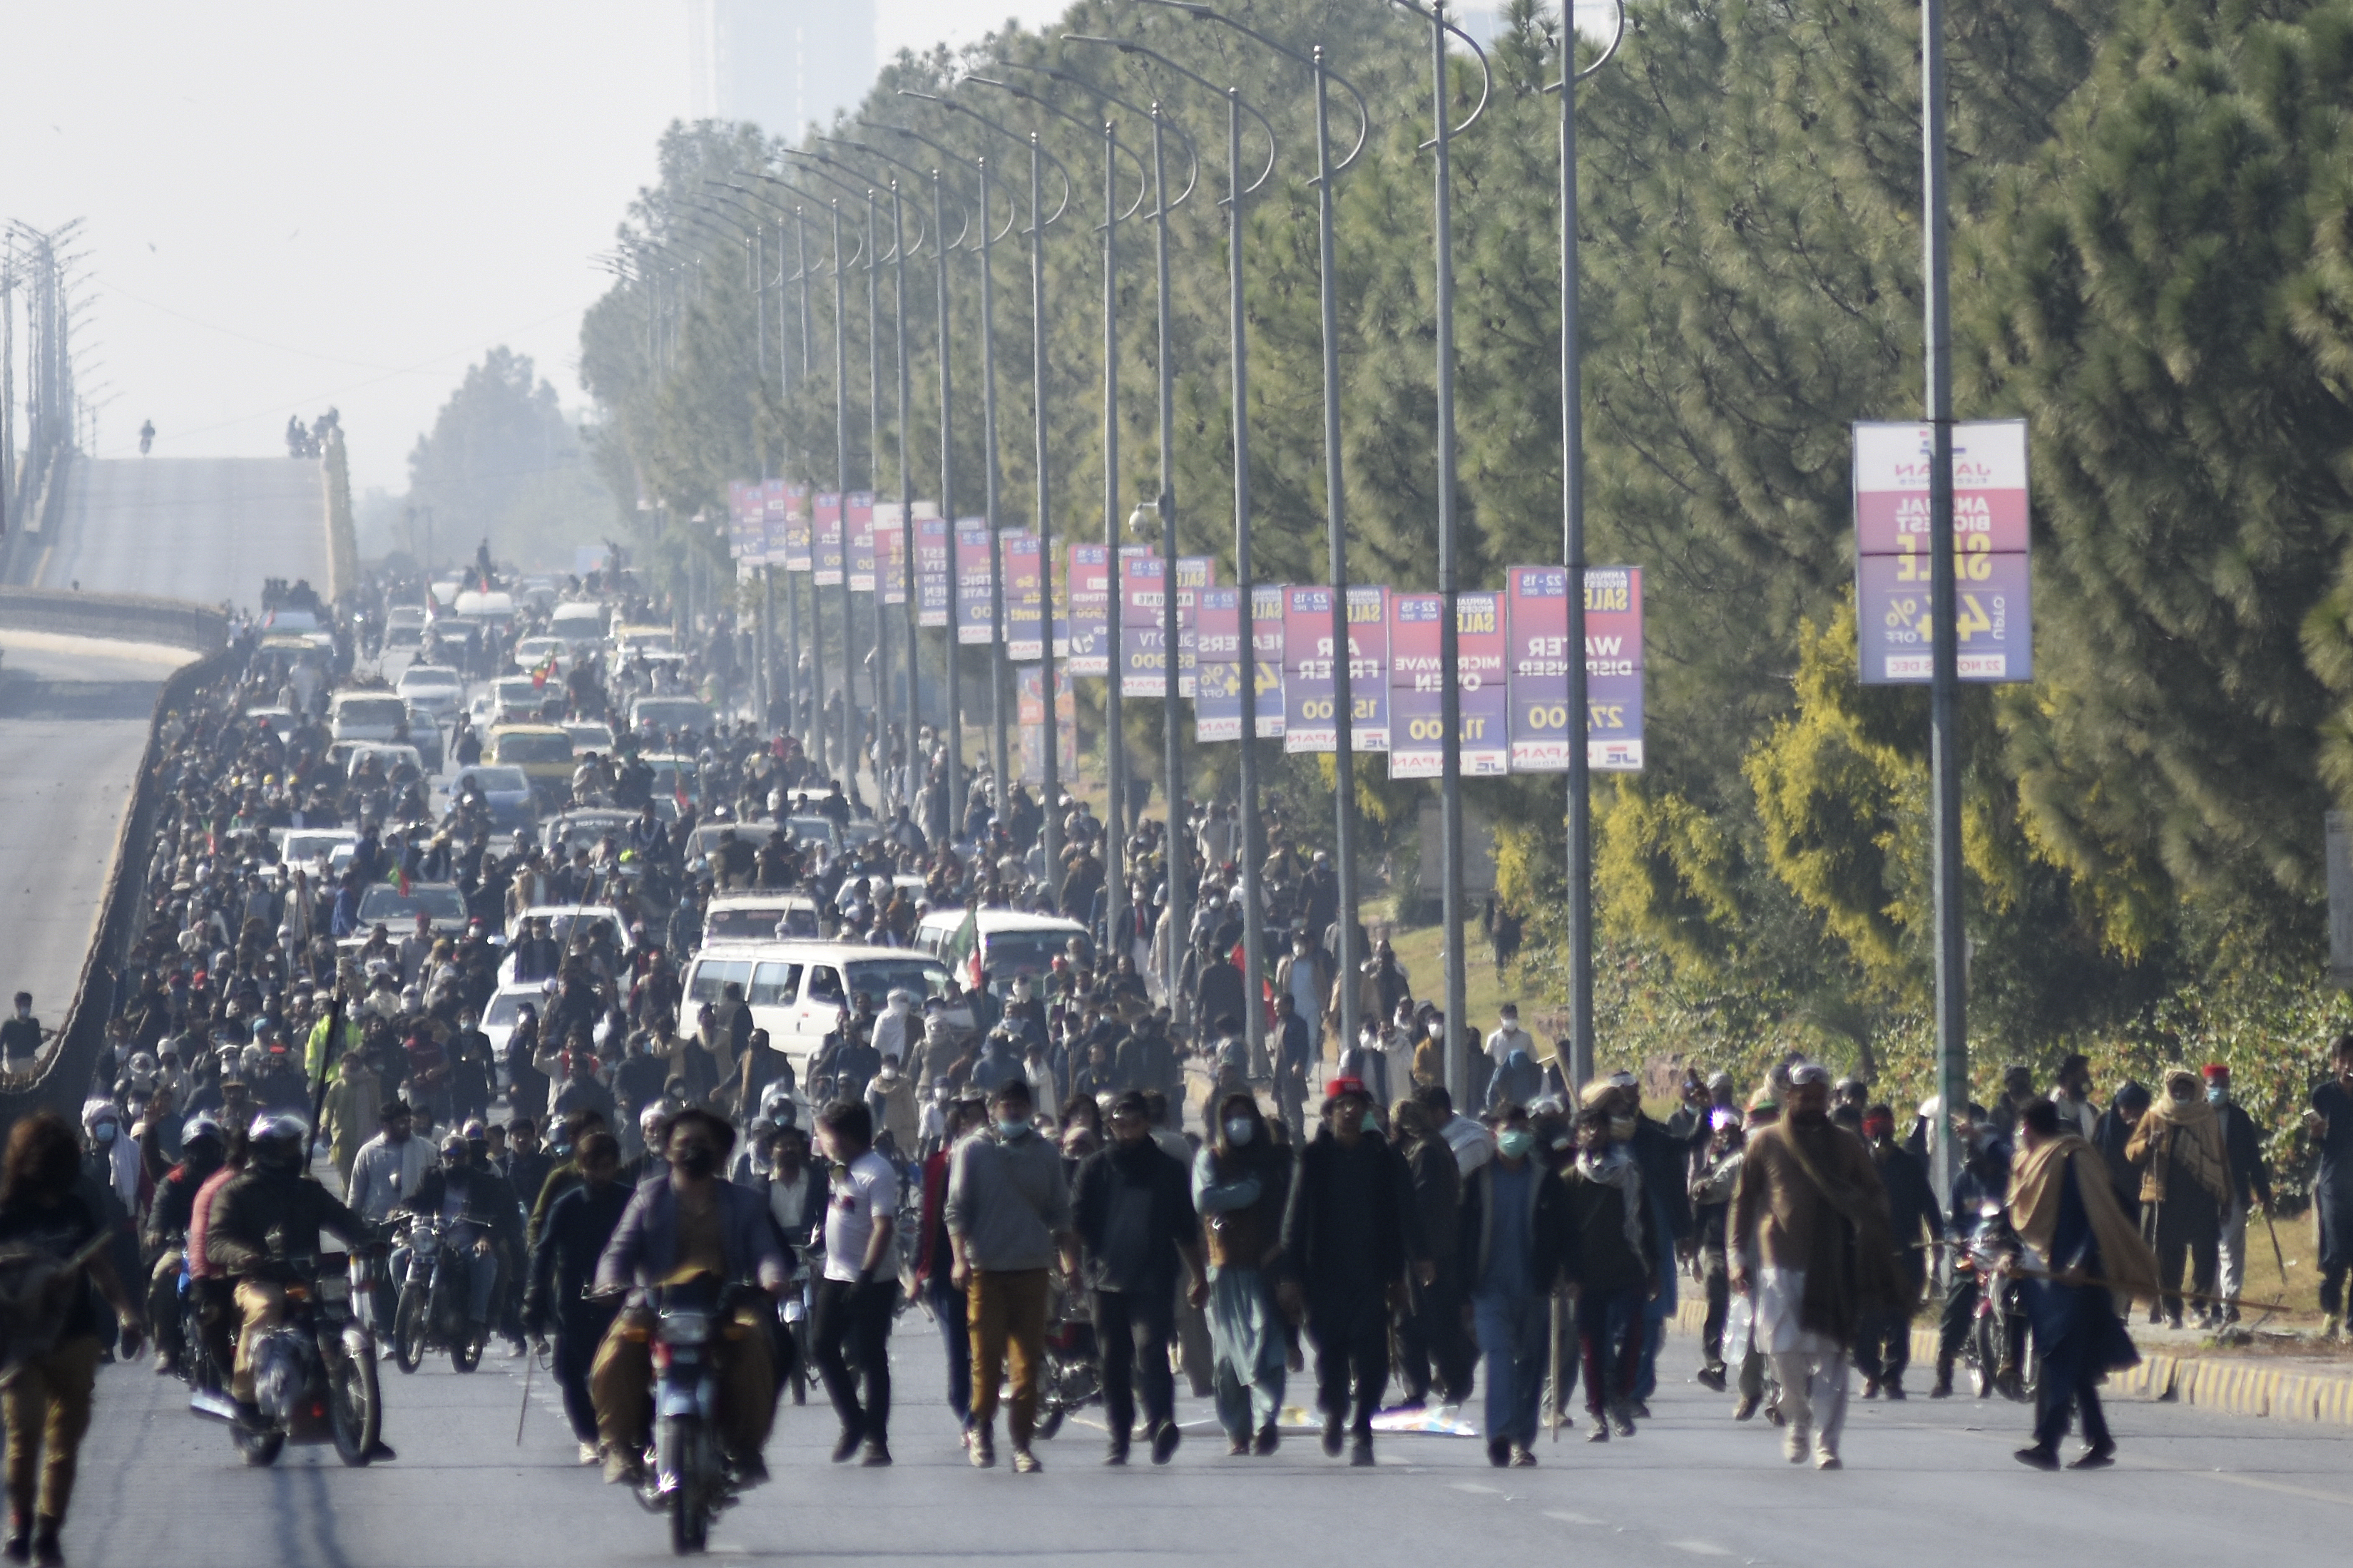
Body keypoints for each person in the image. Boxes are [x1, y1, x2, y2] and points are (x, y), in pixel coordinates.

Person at [589, 1108, 789, 1487]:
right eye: (684, 1144)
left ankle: (746, 1448)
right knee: (614, 1353)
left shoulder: (745, 1202)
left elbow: (766, 1252)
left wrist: (773, 1278)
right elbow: (618, 1251)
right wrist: (609, 1283)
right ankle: (617, 1446)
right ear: (667, 1151)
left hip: (724, 1308)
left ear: (718, 1153)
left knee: (755, 1346)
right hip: (655, 1307)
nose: (693, 1151)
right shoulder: (649, 1198)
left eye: (702, 1144)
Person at [1728, 1062, 1901, 1470]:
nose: (1812, 1104)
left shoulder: (1846, 1144)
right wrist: (1737, 1257)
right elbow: (1743, 1200)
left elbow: (1875, 1192)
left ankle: (1827, 1443)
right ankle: (1798, 1418)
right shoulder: (1766, 1143)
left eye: (1819, 1098)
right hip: (1778, 1265)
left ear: (1828, 1100)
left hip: (1834, 1265)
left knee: (1834, 1357)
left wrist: (1870, 1229)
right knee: (1782, 1351)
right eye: (1804, 1097)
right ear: (1790, 1097)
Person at [0, 1112, 143, 1567]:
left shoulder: (75, 1209)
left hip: (77, 1336)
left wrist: (125, 1314)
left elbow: (100, 1266)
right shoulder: (6, 1213)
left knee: (65, 1442)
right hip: (22, 1341)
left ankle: (49, 1528)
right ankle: (21, 1518)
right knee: (23, 1433)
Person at [2007, 1097, 2160, 1470]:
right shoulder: (2027, 1162)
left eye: (2022, 1126)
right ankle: (2100, 1440)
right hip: (2047, 1276)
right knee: (2074, 1365)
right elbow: (2014, 1217)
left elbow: (2100, 1212)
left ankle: (2048, 1443)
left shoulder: (2071, 1157)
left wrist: (2081, 1259)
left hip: (2079, 1277)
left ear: (2029, 1125)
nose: (2019, 1134)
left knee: (2061, 1358)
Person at [204, 1113, 374, 1432]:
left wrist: (368, 1238)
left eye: (295, 1146)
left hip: (308, 1277)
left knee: (343, 1311)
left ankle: (348, 1402)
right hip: (257, 1279)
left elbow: (341, 1217)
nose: (293, 1153)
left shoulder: (307, 1189)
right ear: (266, 1151)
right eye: (286, 1148)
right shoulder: (237, 1192)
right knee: (268, 1306)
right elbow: (216, 1240)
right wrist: (245, 1255)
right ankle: (244, 1398)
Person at [1279, 1076, 1417, 1466]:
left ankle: (1363, 1427)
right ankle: (1337, 1412)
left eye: (1358, 1104)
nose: (1351, 1111)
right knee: (1332, 1351)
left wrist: (1411, 1264)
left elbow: (1404, 1213)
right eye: (1343, 1105)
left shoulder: (1385, 1157)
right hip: (1324, 1275)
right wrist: (1290, 1275)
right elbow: (1295, 1218)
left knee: (1373, 1355)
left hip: (1373, 1273)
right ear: (1329, 1113)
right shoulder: (1314, 1157)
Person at [944, 1078, 1072, 1472]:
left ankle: (1021, 1445)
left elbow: (1060, 1213)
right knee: (984, 1361)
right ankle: (981, 1430)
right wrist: (959, 1259)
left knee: (1027, 1366)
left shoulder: (1046, 1153)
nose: (1013, 1112)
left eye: (1020, 1105)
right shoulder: (973, 1150)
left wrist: (1070, 1265)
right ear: (993, 1107)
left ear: (1029, 1109)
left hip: (1032, 1269)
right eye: (1006, 1105)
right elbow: (956, 1210)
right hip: (986, 1270)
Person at [1070, 1090, 1201, 1465]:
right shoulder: (1094, 1169)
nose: (1125, 1130)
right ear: (1109, 1125)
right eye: (1118, 1123)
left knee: (1150, 1351)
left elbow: (1185, 1230)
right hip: (1103, 1279)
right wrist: (1069, 1265)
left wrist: (1198, 1275)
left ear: (1147, 1124)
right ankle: (1120, 1437)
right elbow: (1076, 1224)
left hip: (1153, 1279)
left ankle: (1161, 1422)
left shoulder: (1168, 1170)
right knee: (1113, 1361)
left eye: (1133, 1123)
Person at [1461, 1102, 1566, 1465]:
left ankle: (1523, 1438)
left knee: (1532, 1365)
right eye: (1510, 1128)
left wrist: (1568, 1274)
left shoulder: (1545, 1179)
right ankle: (1502, 1434)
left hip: (1534, 1289)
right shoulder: (1478, 1180)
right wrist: (1461, 1291)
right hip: (1489, 1290)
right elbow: (1463, 1237)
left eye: (1523, 1128)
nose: (1516, 1135)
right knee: (1500, 1358)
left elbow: (1564, 1233)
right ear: (1496, 1132)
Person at [524, 1131, 631, 1465]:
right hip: (573, 1297)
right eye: (593, 1167)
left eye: (607, 1166)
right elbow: (544, 1253)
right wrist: (533, 1299)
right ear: (581, 1167)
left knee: (622, 1368)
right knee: (571, 1373)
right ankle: (588, 1437)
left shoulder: (631, 1201)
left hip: (620, 1297)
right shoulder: (566, 1205)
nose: (601, 1173)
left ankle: (625, 1431)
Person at [1193, 1090, 1291, 1454]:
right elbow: (1205, 1199)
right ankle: (1237, 1431)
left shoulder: (1272, 1161)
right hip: (1226, 1268)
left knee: (1269, 1347)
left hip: (1266, 1266)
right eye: (1231, 1115)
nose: (1239, 1123)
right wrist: (1248, 1191)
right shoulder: (1211, 1158)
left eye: (1245, 1115)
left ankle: (1267, 1421)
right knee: (1227, 1360)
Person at [1561, 1103, 1656, 1441]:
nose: (1594, 1132)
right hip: (1587, 1277)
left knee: (1633, 1337)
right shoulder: (1570, 1180)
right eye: (1587, 1127)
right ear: (1578, 1135)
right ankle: (1598, 1412)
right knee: (1593, 1346)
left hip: (1628, 1269)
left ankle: (1620, 1395)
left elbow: (1645, 1224)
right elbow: (1562, 1233)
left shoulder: (1628, 1173)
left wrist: (1654, 1267)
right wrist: (1568, 1275)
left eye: (1599, 1125)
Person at [811, 1100, 898, 1467]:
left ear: (844, 1136)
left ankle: (877, 1439)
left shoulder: (876, 1171)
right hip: (834, 1274)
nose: (821, 1141)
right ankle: (854, 1420)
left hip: (871, 1281)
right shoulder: (840, 1170)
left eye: (825, 1135)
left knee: (869, 1357)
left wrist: (866, 1274)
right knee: (821, 1347)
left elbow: (883, 1226)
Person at [2125, 1066, 2230, 1328]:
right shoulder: (2155, 1115)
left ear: (2195, 1090)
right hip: (2166, 1197)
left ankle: (2199, 1307)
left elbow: (2220, 1158)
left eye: (2186, 1087)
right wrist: (2149, 1144)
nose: (2181, 1092)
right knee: (2169, 1255)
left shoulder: (2206, 1117)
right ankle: (2173, 1310)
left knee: (2206, 1252)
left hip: (2202, 1196)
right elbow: (2131, 1152)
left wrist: (2226, 1195)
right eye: (2177, 1088)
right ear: (2169, 1090)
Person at [394, 1132, 517, 1348]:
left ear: (468, 1157)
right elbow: (418, 1200)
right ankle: (410, 1308)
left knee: (486, 1261)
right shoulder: (432, 1177)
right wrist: (401, 1209)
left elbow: (500, 1216)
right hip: (432, 1241)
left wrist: (485, 1238)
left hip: (468, 1243)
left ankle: (477, 1322)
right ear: (441, 1156)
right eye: (448, 1156)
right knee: (396, 1259)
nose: (453, 1160)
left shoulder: (484, 1183)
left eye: (459, 1156)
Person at [1391, 1096, 1471, 1408]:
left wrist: (1420, 1254)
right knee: (1429, 1321)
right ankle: (1444, 1383)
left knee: (1415, 1322)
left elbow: (1422, 1208)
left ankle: (1431, 1388)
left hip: (1426, 1253)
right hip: (1435, 1250)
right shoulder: (1434, 1147)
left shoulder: (1425, 1153)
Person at [1856, 1102, 1939, 1399]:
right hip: (1868, 1254)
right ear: (1867, 1130)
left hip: (1906, 1251)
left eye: (1884, 1126)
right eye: (1874, 1127)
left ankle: (1892, 1377)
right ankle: (1871, 1372)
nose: (1880, 1134)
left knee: (1898, 1318)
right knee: (1867, 1320)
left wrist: (1937, 1241)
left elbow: (1928, 1203)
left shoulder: (1909, 1163)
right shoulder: (1857, 1164)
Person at [916, 1094, 987, 1434]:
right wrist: (920, 1270)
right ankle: (969, 1416)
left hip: (993, 1265)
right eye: (965, 1122)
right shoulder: (938, 1165)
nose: (972, 1128)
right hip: (949, 1271)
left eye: (978, 1120)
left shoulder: (1000, 1161)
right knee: (959, 1348)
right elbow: (928, 1221)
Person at [2204, 1064, 2272, 1323]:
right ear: (2204, 1085)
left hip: (2235, 1191)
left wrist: (2263, 1190)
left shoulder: (2240, 1118)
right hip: (2203, 1194)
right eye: (2213, 1085)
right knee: (2207, 1249)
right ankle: (2210, 1303)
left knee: (2231, 1249)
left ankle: (2230, 1303)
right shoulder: (2194, 1117)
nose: (2219, 1090)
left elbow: (2254, 1159)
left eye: (2223, 1085)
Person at [2307, 1035, 2353, 1335]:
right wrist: (2316, 1132)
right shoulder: (2323, 1094)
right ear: (2335, 1063)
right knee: (2336, 1253)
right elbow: (2315, 1145)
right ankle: (2331, 1309)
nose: (2349, 1066)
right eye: (2344, 1060)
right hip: (2334, 1182)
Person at [0, 997, 43, 1070]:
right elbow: (1, 1044)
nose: (27, 1008)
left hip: (29, 1061)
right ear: (17, 1005)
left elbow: (36, 1043)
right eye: (24, 1005)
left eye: (29, 1005)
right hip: (13, 1063)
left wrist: (46, 1038)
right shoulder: (8, 1025)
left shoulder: (34, 1023)